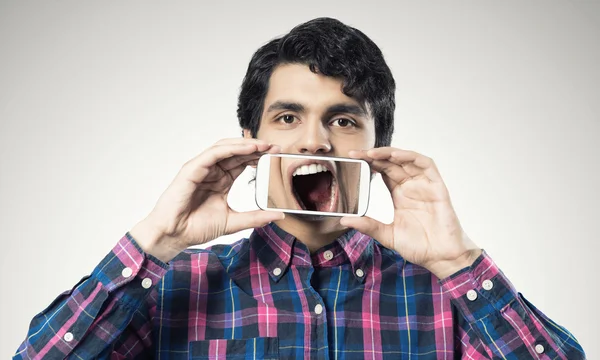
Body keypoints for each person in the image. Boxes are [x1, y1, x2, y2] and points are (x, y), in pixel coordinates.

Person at [14, 17, 585, 359]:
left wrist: (460, 261)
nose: (314, 142)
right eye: (288, 118)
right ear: (250, 140)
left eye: (343, 120)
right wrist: (154, 242)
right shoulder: (170, 287)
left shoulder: (448, 296)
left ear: (377, 146)